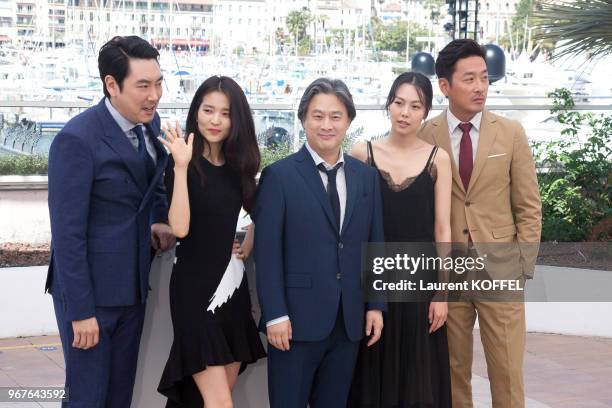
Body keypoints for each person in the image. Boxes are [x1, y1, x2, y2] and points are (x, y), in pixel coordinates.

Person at [46, 35, 174, 407]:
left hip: (132, 289)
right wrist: (82, 312)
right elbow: (67, 236)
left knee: (120, 397)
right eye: (143, 86)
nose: (155, 95)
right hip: (91, 298)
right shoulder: (76, 139)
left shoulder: (150, 123)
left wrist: (159, 218)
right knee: (87, 398)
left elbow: (154, 183)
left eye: (159, 83)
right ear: (111, 85)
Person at [418, 39, 542, 408]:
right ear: (444, 86)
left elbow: (529, 205)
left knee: (506, 370)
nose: (479, 87)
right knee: (453, 370)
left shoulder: (511, 132)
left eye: (484, 78)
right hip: (449, 271)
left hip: (501, 268)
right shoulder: (426, 135)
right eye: (469, 79)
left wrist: (523, 265)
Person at [254, 78, 385, 408]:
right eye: (318, 116)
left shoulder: (366, 177)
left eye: (336, 116)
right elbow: (267, 253)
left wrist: (376, 305)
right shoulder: (279, 176)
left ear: (349, 121)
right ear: (303, 119)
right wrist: (275, 315)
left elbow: (375, 245)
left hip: (348, 320)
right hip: (294, 323)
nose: (327, 125)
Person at [157, 75, 266, 408]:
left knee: (209, 399)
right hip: (194, 293)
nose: (215, 120)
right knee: (220, 402)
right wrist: (180, 166)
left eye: (225, 112)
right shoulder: (182, 162)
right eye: (208, 110)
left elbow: (261, 213)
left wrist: (248, 242)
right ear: (196, 111)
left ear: (237, 119)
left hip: (231, 290)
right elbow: (180, 228)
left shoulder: (240, 166)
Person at [348, 72, 453, 407]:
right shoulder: (361, 152)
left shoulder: (438, 159)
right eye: (399, 103)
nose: (405, 112)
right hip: (372, 278)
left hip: (419, 284)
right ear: (389, 106)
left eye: (415, 105)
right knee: (369, 369)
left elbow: (442, 228)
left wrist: (442, 291)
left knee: (417, 378)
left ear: (426, 112)